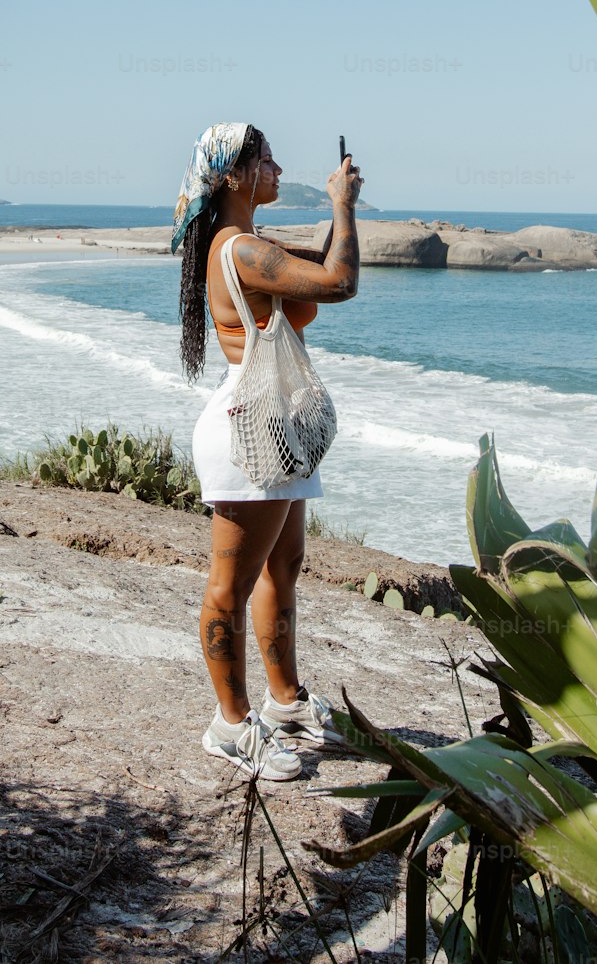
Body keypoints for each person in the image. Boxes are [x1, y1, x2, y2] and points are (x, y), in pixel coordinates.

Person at [173, 123, 362, 781]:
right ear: (232, 175)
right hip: (246, 433)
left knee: (284, 568)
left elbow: (317, 263)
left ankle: (285, 703)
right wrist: (340, 206)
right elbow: (338, 282)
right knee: (231, 585)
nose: (278, 168)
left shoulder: (250, 245)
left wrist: (345, 204)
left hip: (274, 427)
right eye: (266, 159)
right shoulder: (241, 250)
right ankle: (230, 725)